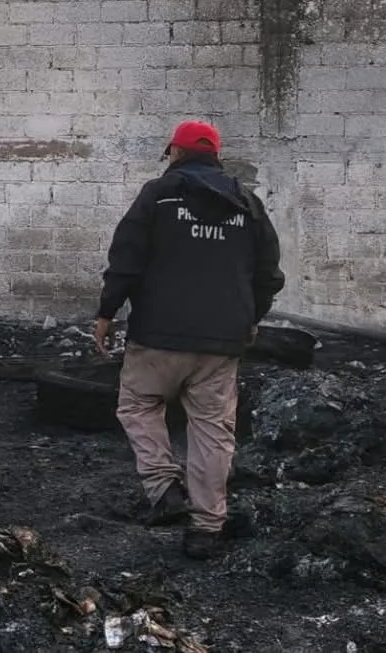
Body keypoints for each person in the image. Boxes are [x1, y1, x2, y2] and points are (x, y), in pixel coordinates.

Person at [93, 120, 285, 559]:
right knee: (212, 431)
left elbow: (126, 258)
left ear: (176, 153)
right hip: (221, 343)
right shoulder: (248, 204)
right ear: (217, 156)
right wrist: (252, 317)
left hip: (158, 335)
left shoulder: (158, 197)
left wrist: (107, 311)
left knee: (138, 405)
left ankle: (164, 487)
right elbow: (268, 274)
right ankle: (206, 527)